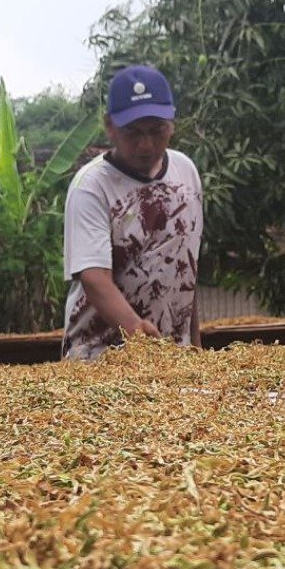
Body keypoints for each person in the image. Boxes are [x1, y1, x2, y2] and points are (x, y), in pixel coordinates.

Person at [61, 65, 204, 361]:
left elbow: (187, 268)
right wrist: (138, 334)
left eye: (156, 131)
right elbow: (93, 277)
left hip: (174, 361)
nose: (146, 145)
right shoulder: (91, 187)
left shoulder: (185, 173)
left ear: (172, 123)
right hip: (98, 359)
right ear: (109, 126)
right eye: (133, 133)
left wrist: (195, 349)